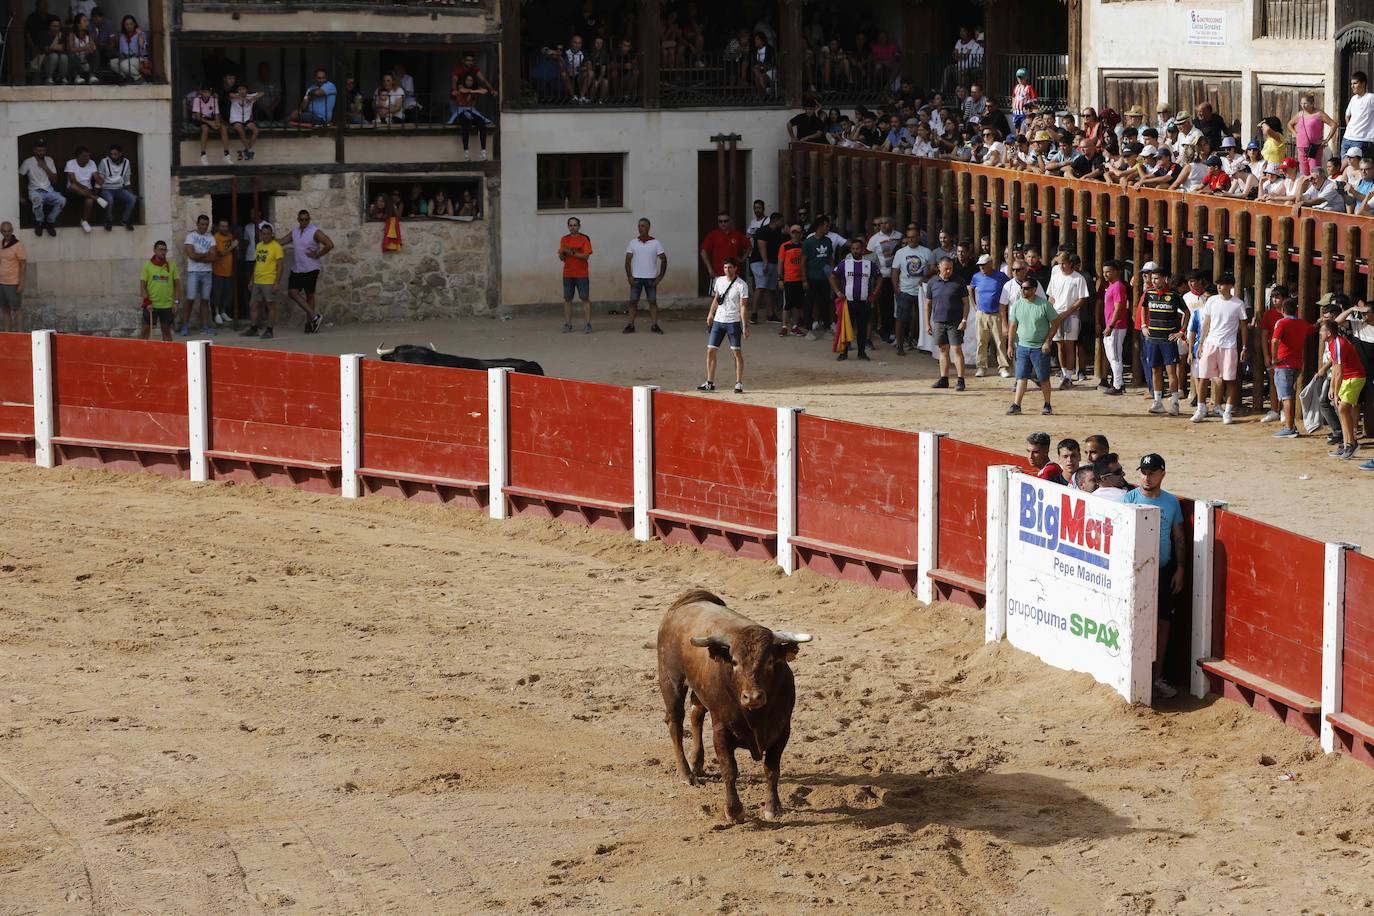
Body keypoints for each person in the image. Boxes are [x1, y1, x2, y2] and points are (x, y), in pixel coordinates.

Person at [1121, 453, 1186, 701]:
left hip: (1163, 571)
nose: (1146, 478)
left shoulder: (1171, 503)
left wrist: (1180, 568)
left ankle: (1156, 677)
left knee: (1162, 624)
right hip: (1133, 573)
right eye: (1143, 472)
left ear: (1162, 474)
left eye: (1151, 473)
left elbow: (1178, 538)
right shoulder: (1128, 500)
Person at [1191, 273, 1247, 424]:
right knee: (1203, 377)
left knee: (1229, 379)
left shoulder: (1238, 304)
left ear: (1231, 286)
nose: (1220, 287)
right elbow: (1206, 323)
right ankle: (1201, 408)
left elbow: (1243, 327)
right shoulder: (1212, 301)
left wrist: (1244, 347)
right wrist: (1201, 344)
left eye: (1223, 284)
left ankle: (1227, 411)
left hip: (1229, 346)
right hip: (1211, 343)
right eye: (1218, 284)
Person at [1006, 277, 1059, 416]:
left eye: (1026, 288)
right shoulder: (1017, 304)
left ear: (1034, 290)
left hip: (1039, 347)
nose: (1023, 291)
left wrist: (1048, 341)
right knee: (1021, 377)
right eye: (1022, 288)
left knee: (1043, 378)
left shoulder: (1044, 305)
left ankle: (1047, 404)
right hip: (1022, 346)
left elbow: (1055, 322)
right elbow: (1012, 326)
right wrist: (1010, 345)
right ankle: (1017, 404)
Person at [699, 257, 749, 393]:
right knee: (711, 350)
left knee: (736, 352)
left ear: (735, 268)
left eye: (730, 267)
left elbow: (743, 306)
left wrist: (744, 326)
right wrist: (710, 313)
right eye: (725, 267)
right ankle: (710, 382)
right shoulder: (719, 281)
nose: (727, 270)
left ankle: (739, 382)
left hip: (733, 321)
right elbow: (716, 298)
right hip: (718, 321)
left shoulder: (742, 285)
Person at [1269, 297, 1316, 439]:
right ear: (1296, 310)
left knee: (1286, 396)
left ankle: (1289, 428)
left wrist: (1274, 358)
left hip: (1283, 364)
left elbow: (1275, 340)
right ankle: (1290, 426)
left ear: (1283, 310)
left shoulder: (1281, 323)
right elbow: (1312, 328)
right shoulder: (1301, 323)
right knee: (1288, 394)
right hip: (1296, 364)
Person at [830, 237, 879, 362]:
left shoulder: (869, 264)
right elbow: (832, 277)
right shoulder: (845, 263)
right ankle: (844, 353)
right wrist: (838, 292)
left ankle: (861, 352)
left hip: (864, 301)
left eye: (857, 249)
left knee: (862, 328)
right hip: (848, 301)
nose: (855, 251)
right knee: (846, 328)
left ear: (862, 250)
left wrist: (874, 293)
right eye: (853, 249)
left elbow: (880, 277)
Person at [1324, 318, 1367, 460]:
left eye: (1322, 331)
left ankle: (1352, 444)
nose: (1320, 333)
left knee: (1342, 409)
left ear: (1328, 333)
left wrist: (1335, 392)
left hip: (1354, 377)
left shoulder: (1338, 343)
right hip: (1348, 378)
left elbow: (1339, 371)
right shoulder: (1333, 343)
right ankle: (1346, 444)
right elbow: (1336, 368)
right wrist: (1332, 388)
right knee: (1341, 410)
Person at [1046, 253, 1088, 388]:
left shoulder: (1078, 278)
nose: (1062, 266)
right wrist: (1048, 311)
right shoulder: (1056, 277)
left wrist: (1067, 312)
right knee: (1060, 345)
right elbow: (1051, 296)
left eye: (1064, 263)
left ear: (1070, 263)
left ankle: (1069, 376)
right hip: (1056, 314)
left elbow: (1081, 299)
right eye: (1060, 263)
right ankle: (1064, 373)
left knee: (1070, 345)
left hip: (1071, 315)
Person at [926, 256, 969, 389]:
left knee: (956, 349)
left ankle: (961, 380)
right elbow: (928, 304)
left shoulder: (959, 281)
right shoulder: (932, 282)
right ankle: (944, 378)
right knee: (943, 349)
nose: (948, 271)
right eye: (946, 269)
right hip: (939, 321)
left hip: (955, 321)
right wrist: (927, 323)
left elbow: (966, 303)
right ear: (939, 267)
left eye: (950, 268)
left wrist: (964, 320)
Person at [285, 210, 330, 333]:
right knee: (292, 292)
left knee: (310, 295)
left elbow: (329, 244)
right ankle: (314, 317)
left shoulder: (315, 231)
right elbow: (282, 241)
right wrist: (268, 239)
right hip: (297, 268)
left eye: (306, 219)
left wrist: (318, 255)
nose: (304, 221)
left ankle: (310, 323)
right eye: (301, 219)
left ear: (309, 219)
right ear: (298, 220)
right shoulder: (295, 231)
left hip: (311, 268)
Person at [891, 227, 930, 357]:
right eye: (909, 237)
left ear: (918, 237)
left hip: (922, 291)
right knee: (901, 319)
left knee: (923, 319)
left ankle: (922, 344)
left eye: (913, 237)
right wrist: (896, 288)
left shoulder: (926, 252)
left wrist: (925, 278)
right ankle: (900, 345)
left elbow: (933, 269)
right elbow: (895, 271)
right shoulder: (900, 252)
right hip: (905, 290)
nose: (911, 239)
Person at [623, 217, 667, 334]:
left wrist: (660, 277)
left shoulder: (656, 243)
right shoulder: (632, 242)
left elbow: (663, 260)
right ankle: (630, 325)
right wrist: (629, 277)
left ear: (648, 227)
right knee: (633, 302)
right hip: (636, 278)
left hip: (651, 278)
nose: (640, 228)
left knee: (652, 302)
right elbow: (627, 260)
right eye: (639, 225)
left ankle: (654, 325)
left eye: (642, 226)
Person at [969, 254, 1009, 378]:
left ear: (990, 264)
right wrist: (974, 305)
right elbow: (970, 289)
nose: (981, 267)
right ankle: (981, 367)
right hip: (981, 314)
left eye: (984, 265)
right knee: (981, 341)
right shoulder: (976, 276)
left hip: (997, 313)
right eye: (980, 265)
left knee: (1000, 342)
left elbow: (1008, 288)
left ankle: (1003, 367)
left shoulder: (1000, 276)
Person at [243, 222, 283, 339]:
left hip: (269, 280)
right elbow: (257, 264)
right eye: (264, 234)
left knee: (270, 306)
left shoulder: (276, 247)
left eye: (268, 234)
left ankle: (270, 330)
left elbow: (280, 266)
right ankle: (254, 328)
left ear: (271, 235)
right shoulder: (259, 246)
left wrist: (277, 282)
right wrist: (252, 280)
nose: (266, 236)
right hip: (258, 280)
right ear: (261, 234)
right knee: (254, 305)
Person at [866, 216, 901, 344]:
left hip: (898, 276)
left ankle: (894, 331)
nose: (884, 225)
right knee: (884, 304)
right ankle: (884, 330)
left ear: (892, 223)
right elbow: (870, 257)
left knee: (895, 305)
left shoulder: (899, 236)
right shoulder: (874, 239)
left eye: (886, 222)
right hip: (883, 276)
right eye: (881, 223)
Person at [180, 214, 216, 337]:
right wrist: (206, 254)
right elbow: (191, 255)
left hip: (207, 272)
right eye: (202, 224)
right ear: (197, 224)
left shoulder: (211, 238)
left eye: (206, 224)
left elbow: (213, 257)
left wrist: (199, 256)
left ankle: (205, 326)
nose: (204, 227)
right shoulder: (191, 237)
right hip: (193, 272)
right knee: (190, 299)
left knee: (205, 300)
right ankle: (185, 326)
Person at [19, 140, 64, 237]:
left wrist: (45, 167)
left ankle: (49, 222)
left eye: (43, 151)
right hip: (35, 191)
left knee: (62, 201)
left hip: (49, 191)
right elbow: (19, 178)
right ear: (34, 150)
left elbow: (55, 180)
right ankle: (39, 222)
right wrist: (20, 196)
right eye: (39, 151)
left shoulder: (49, 160)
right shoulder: (28, 161)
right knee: (37, 200)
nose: (42, 153)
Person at [138, 240, 180, 342]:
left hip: (167, 305)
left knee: (166, 330)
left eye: (165, 250)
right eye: (160, 249)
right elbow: (143, 286)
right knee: (145, 330)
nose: (163, 252)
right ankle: (140, 352)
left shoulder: (172, 265)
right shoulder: (147, 266)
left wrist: (176, 302)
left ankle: (168, 353)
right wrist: (147, 302)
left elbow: (177, 285)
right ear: (154, 250)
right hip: (151, 305)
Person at [558, 216, 593, 333]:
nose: (573, 227)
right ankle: (568, 324)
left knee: (585, 299)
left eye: (575, 225)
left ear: (579, 226)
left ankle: (588, 324)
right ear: (568, 227)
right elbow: (562, 258)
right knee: (567, 299)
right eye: (571, 225)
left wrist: (571, 252)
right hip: (568, 274)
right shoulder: (564, 239)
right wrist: (562, 254)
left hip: (582, 274)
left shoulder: (584, 239)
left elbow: (586, 255)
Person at [1099, 260, 1129, 395]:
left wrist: (1111, 325)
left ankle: (1117, 385)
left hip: (1116, 326)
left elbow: (1119, 307)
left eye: (1108, 271)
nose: (1106, 274)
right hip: (1111, 325)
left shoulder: (1118, 286)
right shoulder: (1110, 286)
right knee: (1111, 356)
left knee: (1116, 356)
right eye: (1104, 272)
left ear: (1117, 272)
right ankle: (1119, 383)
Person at [699, 212, 750, 291]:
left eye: (725, 221)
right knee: (716, 298)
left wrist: (742, 259)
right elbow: (703, 251)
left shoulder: (737, 234)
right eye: (720, 221)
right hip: (717, 273)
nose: (723, 223)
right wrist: (709, 268)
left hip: (734, 274)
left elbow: (749, 246)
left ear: (730, 221)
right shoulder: (713, 235)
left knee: (734, 297)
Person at [448, 73, 493, 161]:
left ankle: (483, 152)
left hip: (472, 111)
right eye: (468, 80)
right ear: (464, 81)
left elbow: (485, 90)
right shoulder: (461, 87)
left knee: (482, 123)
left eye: (471, 80)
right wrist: (473, 91)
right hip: (461, 111)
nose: (469, 82)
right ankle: (466, 153)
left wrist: (473, 91)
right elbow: (462, 90)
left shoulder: (475, 88)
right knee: (466, 123)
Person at [751, 212, 785, 324]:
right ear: (776, 220)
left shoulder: (778, 232)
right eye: (781, 220)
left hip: (773, 262)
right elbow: (762, 246)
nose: (783, 223)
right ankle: (754, 314)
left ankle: (770, 314)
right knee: (760, 286)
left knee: (770, 288)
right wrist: (765, 261)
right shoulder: (763, 230)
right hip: (760, 262)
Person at [63, 145, 104, 234]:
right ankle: (95, 197)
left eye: (89, 155)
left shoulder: (92, 163)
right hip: (74, 189)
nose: (88, 158)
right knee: (73, 186)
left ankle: (84, 221)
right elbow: (72, 180)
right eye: (85, 156)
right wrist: (83, 187)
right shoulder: (70, 163)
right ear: (78, 157)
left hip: (87, 190)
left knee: (89, 201)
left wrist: (100, 180)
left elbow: (97, 177)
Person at [96, 144, 137, 231]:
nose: (113, 156)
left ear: (120, 154)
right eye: (111, 154)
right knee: (109, 200)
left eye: (115, 154)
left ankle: (124, 220)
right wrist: (96, 194)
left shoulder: (126, 162)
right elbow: (99, 180)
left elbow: (127, 181)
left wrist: (131, 193)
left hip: (119, 189)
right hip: (106, 189)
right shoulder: (104, 162)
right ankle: (108, 221)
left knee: (132, 199)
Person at [192, 85, 231, 166]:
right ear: (201, 92)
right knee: (205, 128)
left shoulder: (214, 100)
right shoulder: (197, 100)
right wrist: (210, 123)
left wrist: (217, 123)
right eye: (204, 92)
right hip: (200, 119)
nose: (206, 94)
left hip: (210, 119)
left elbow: (216, 114)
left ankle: (226, 154)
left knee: (223, 128)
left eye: (208, 92)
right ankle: (203, 154)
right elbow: (198, 116)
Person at [211, 218, 238, 326]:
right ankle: (216, 314)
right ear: (218, 227)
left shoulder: (230, 236)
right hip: (218, 270)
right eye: (222, 226)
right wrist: (233, 246)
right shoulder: (216, 237)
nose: (224, 228)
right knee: (217, 293)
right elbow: (222, 253)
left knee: (227, 294)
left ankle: (223, 312)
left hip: (229, 270)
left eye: (226, 226)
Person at [0, 223, 26, 332]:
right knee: (5, 309)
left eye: (8, 231)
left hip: (13, 283)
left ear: (12, 231)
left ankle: (19, 334)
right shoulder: (1, 244)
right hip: (1, 283)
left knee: (17, 309)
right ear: (1, 232)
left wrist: (21, 283)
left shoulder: (18, 245)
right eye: (4, 231)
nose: (7, 233)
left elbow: (23, 265)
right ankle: (8, 334)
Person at [1346, 71, 1374, 161]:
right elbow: (1347, 115)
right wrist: (1349, 127)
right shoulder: (1353, 98)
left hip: (1362, 139)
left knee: (1358, 167)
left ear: (1363, 83)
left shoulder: (1370, 97)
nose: (1352, 86)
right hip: (1347, 137)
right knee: (1345, 167)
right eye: (1351, 83)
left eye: (1355, 83)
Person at [112, 13, 147, 82]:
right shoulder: (122, 36)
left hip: (139, 59)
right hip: (126, 58)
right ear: (124, 26)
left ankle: (138, 78)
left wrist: (140, 34)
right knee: (113, 63)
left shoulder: (140, 33)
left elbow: (142, 46)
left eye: (131, 24)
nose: (129, 26)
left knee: (124, 64)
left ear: (134, 24)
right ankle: (126, 77)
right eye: (127, 24)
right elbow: (121, 51)